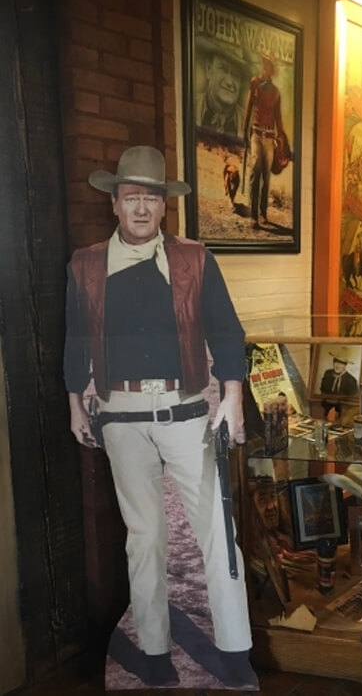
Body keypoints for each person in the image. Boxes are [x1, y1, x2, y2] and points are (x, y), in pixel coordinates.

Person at [64, 146, 255, 688]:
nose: (142, 208)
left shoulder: (195, 259)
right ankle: (152, 648)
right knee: (144, 535)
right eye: (131, 198)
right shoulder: (85, 266)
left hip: (188, 411)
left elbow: (226, 330)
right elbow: (76, 339)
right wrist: (76, 400)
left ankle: (235, 647)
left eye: (151, 198)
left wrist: (233, 398)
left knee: (217, 529)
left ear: (164, 206)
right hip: (121, 418)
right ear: (115, 205)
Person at [243, 51, 284, 229]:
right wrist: (245, 132)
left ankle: (263, 213)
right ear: (263, 65)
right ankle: (253, 215)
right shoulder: (255, 83)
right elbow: (248, 107)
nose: (267, 67)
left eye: (270, 65)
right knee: (255, 172)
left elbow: (278, 117)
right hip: (257, 134)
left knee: (266, 176)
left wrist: (281, 138)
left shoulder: (275, 92)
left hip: (269, 137)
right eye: (265, 64)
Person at [195, 37, 246, 136]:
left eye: (236, 75)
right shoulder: (190, 107)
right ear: (209, 70)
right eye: (223, 69)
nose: (229, 82)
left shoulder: (249, 124)